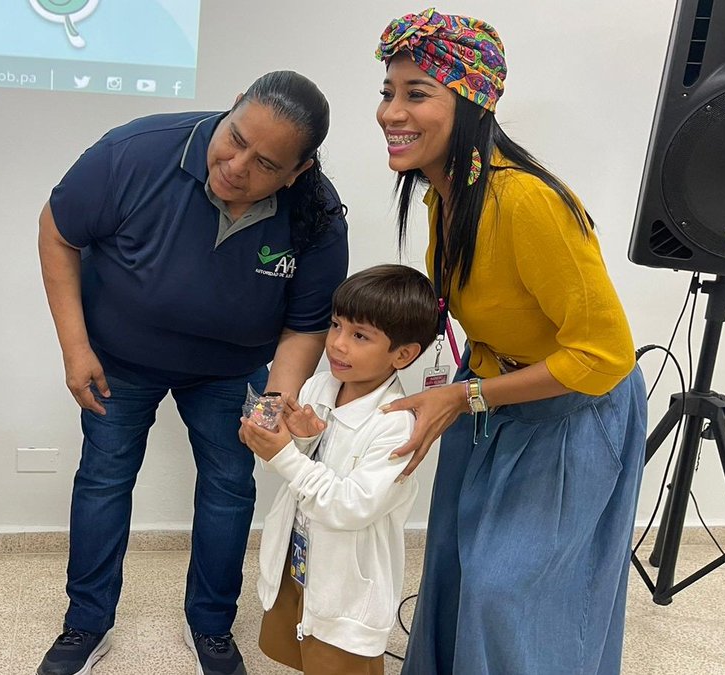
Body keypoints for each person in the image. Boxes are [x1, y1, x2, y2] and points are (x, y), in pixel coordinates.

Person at [37, 71, 350, 675]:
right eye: (233, 139)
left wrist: (275, 403)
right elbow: (57, 230)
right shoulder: (135, 152)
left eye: (264, 164)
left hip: (230, 369)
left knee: (231, 487)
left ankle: (210, 625)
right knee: (103, 480)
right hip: (120, 359)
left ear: (297, 172)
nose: (235, 167)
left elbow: (307, 324)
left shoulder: (316, 216)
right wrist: (75, 347)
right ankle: (87, 622)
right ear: (232, 106)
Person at [368, 9, 648, 674]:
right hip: (491, 389)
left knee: (506, 590)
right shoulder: (444, 193)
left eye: (416, 93)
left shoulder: (527, 203)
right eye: (387, 92)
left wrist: (468, 398)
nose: (389, 112)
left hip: (571, 407)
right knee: (455, 564)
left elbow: (601, 356)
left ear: (471, 101)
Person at [239, 264, 438, 675]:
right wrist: (299, 440)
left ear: (403, 354)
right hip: (300, 562)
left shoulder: (397, 426)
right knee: (303, 646)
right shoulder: (318, 387)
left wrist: (286, 455)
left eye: (359, 336)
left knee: (338, 657)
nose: (337, 345)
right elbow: (284, 466)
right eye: (335, 325)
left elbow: (350, 506)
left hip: (348, 583)